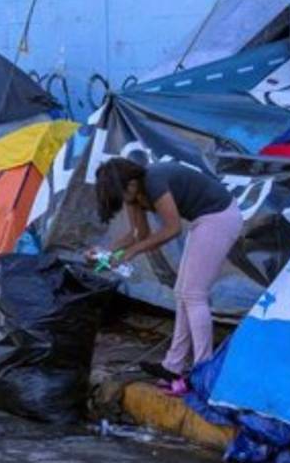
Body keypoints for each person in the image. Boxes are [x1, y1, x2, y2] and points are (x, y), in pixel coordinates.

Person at [91, 158, 244, 394]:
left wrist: (131, 253)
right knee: (181, 293)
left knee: (193, 294)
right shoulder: (133, 195)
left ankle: (204, 367)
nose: (125, 200)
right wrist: (105, 252)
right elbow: (137, 234)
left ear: (131, 182)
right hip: (202, 221)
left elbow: (172, 229)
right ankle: (173, 365)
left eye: (123, 193)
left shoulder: (154, 180)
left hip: (220, 217)